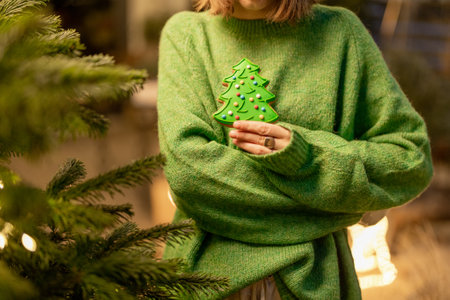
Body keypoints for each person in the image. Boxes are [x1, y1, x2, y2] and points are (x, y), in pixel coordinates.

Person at [156, 0, 434, 299]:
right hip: (206, 285)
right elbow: (189, 177)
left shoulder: (342, 34)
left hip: (316, 286)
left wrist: (307, 158)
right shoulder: (185, 35)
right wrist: (333, 203)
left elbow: (409, 159)